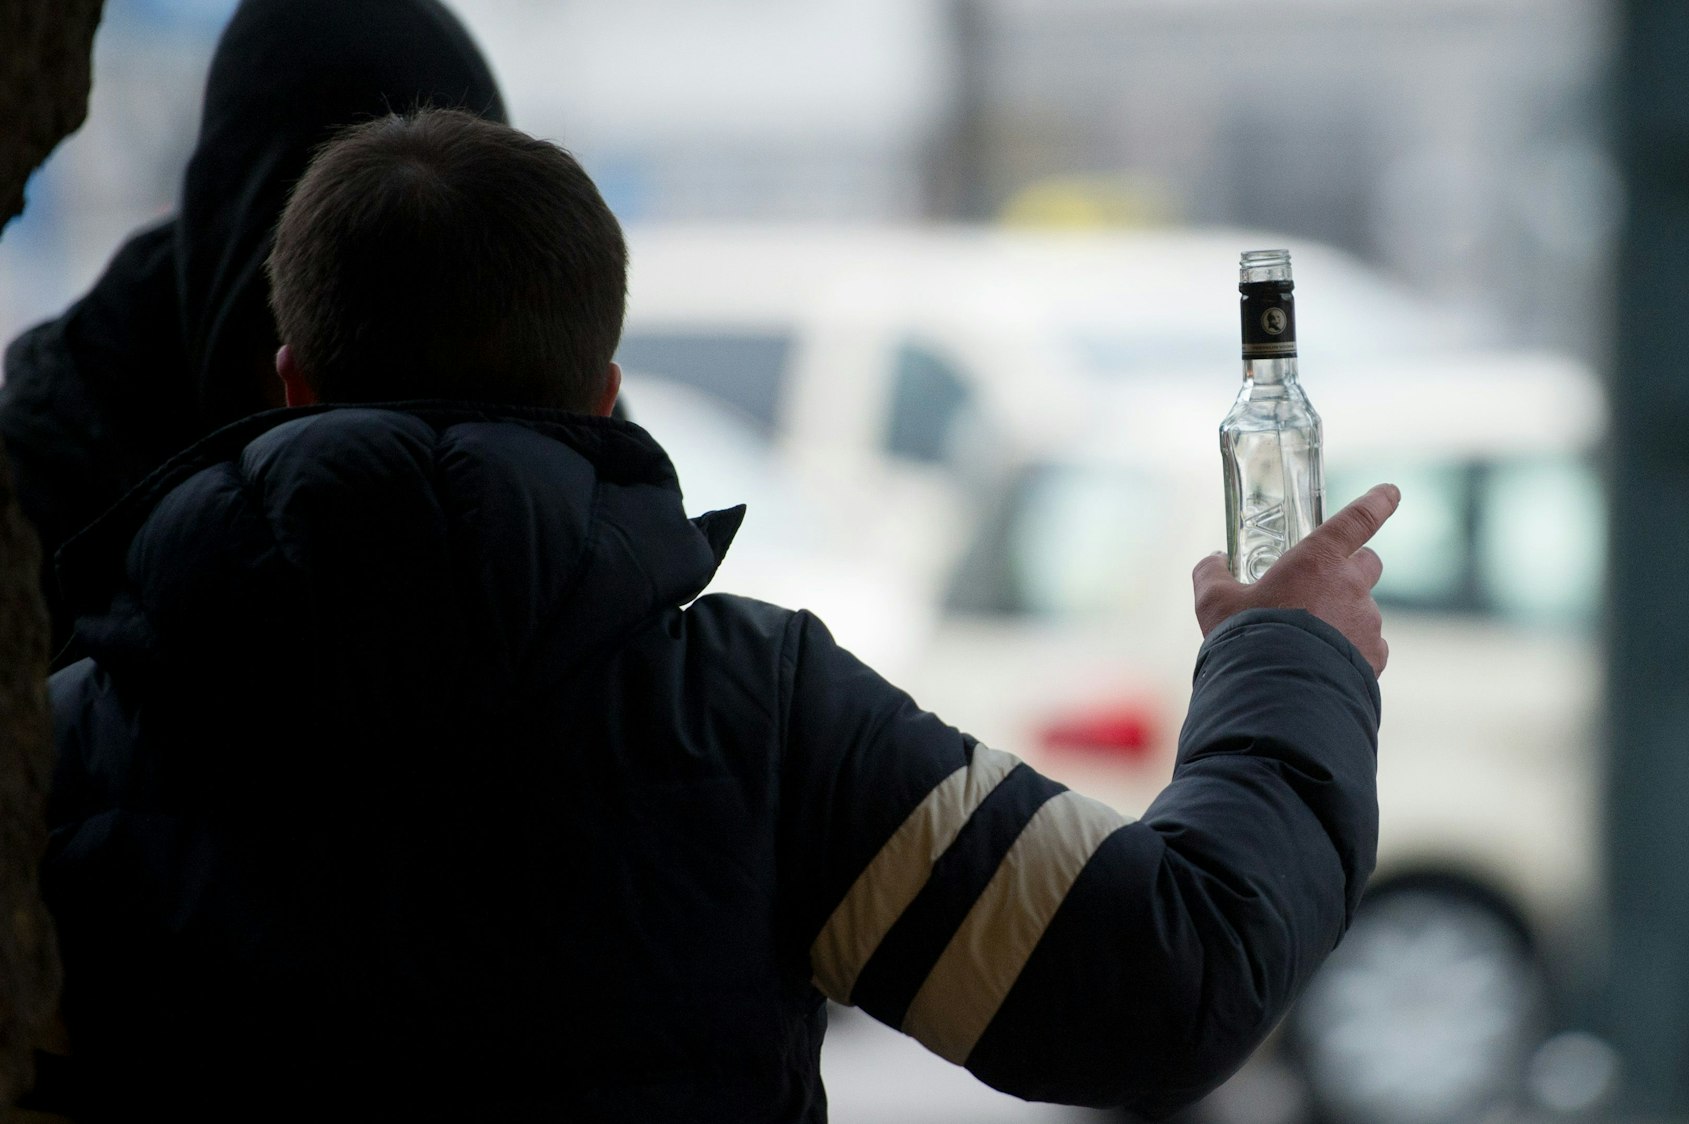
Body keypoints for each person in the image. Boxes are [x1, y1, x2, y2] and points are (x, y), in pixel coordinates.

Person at [35, 108, 1396, 1122]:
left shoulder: (68, 743)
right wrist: (1294, 654)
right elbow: (1167, 980)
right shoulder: (760, 719)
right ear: (607, 389)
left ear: (287, 385)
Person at [0, 0, 507, 663]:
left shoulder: (553, 469)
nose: (405, 418)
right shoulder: (51, 503)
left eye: (445, 330)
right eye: (351, 342)